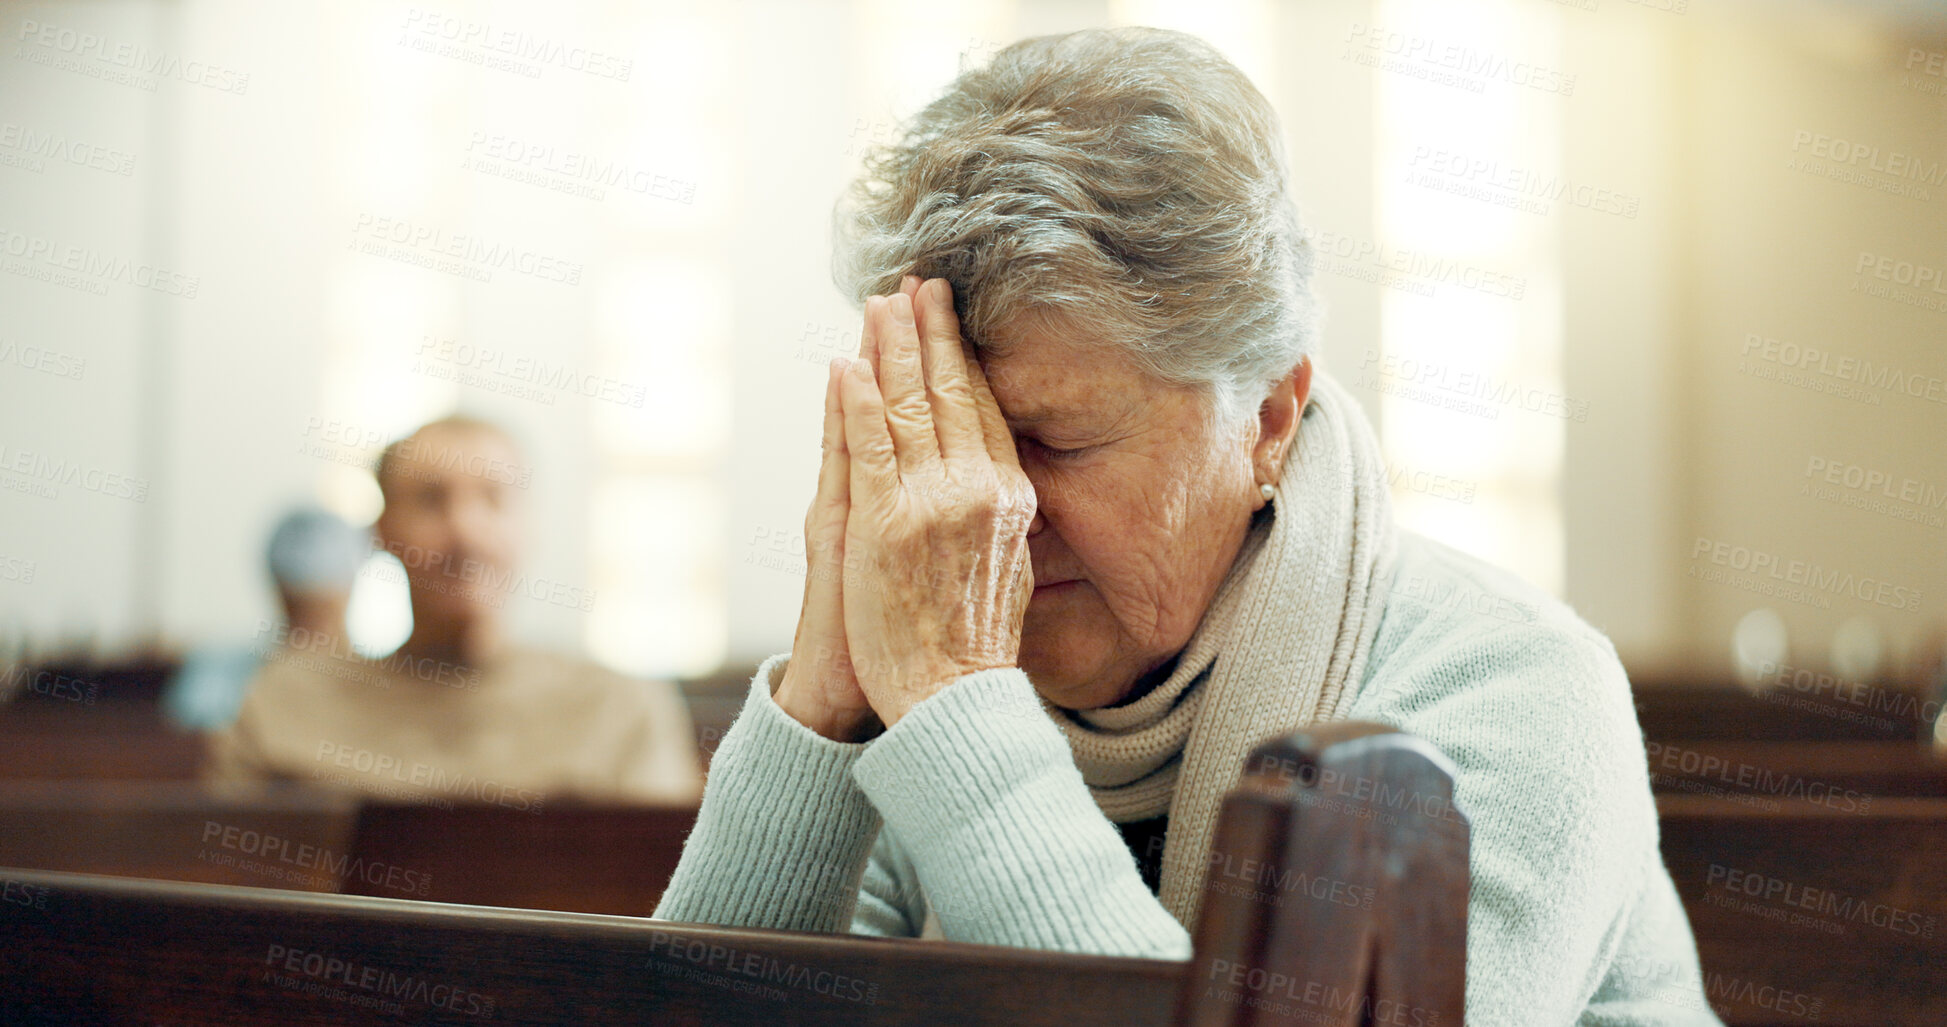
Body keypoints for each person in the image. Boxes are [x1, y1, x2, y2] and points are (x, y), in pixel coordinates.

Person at [653, 28, 1719, 1025]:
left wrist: (952, 709)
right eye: (940, 438)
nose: (980, 508)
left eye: (1058, 440)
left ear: (1264, 416)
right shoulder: (930, 664)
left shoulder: (1514, 687)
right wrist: (825, 707)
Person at [206, 415, 702, 807]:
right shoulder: (285, 701)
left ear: (527, 528)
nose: (464, 529)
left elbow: (662, 897)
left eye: (494, 499)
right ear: (382, 535)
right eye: (430, 500)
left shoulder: (619, 709)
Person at [162, 506, 369, 731]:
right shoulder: (219, 667)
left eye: (323, 611)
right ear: (277, 594)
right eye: (297, 609)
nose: (311, 630)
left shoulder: (377, 682)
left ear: (350, 592)